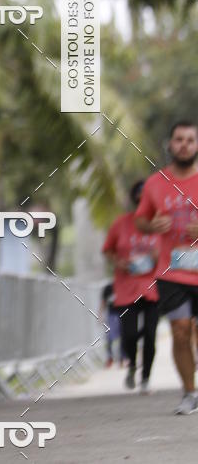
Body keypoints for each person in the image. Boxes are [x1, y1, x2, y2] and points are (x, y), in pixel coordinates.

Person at [136, 120, 198, 415]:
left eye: (190, 140)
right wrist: (152, 224)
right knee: (180, 331)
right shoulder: (155, 183)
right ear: (171, 145)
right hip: (171, 272)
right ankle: (189, 392)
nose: (184, 144)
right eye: (179, 139)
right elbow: (140, 220)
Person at [102, 180, 160, 393]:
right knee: (129, 334)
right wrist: (119, 262)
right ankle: (132, 366)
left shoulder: (160, 226)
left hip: (153, 287)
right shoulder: (120, 224)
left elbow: (175, 252)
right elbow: (108, 249)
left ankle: (145, 378)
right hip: (126, 287)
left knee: (151, 335)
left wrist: (159, 257)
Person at [100, 282, 123, 368]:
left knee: (123, 336)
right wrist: (100, 315)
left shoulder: (123, 286)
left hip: (123, 314)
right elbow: (103, 302)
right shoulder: (108, 288)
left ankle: (122, 358)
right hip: (111, 315)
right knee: (110, 337)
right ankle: (110, 357)